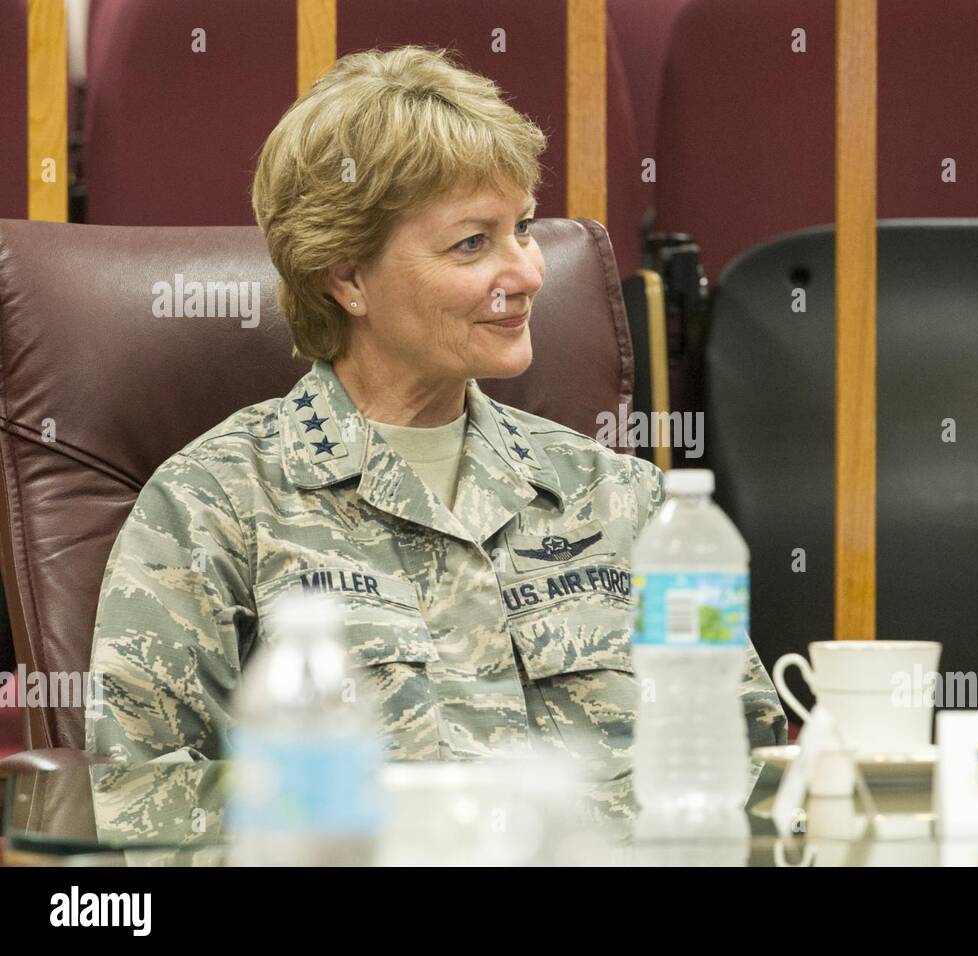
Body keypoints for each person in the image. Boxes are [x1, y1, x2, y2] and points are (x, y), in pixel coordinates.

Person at [86, 46, 787, 774]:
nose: (525, 271)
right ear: (347, 277)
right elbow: (143, 804)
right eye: (473, 243)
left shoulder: (624, 498)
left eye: (523, 227)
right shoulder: (213, 506)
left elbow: (750, 755)